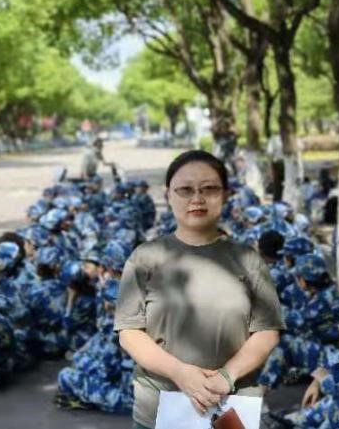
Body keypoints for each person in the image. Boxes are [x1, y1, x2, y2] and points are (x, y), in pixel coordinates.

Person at [114, 149, 283, 429]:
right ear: (168, 195)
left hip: (231, 409)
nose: (197, 199)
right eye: (185, 190)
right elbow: (130, 333)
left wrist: (226, 377)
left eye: (209, 189)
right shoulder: (144, 258)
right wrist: (180, 373)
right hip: (159, 411)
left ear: (225, 195)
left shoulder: (248, 260)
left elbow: (267, 331)